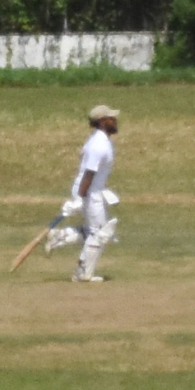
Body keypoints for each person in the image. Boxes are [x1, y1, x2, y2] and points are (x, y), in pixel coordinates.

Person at [56, 104, 122, 282]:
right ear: (102, 122)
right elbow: (88, 173)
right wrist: (79, 197)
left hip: (91, 190)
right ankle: (83, 273)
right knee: (100, 233)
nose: (115, 121)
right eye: (111, 118)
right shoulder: (98, 145)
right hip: (89, 191)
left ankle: (61, 236)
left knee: (96, 231)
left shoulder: (99, 140)